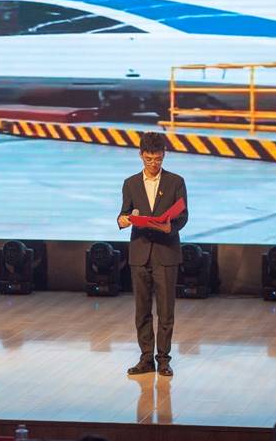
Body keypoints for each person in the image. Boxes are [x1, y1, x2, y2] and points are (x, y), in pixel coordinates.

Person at [118, 132, 188, 377]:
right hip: (140, 253)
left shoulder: (176, 182)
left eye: (158, 159)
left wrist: (170, 227)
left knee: (166, 311)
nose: (153, 163)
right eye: (149, 159)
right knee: (142, 310)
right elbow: (123, 214)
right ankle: (146, 358)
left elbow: (183, 216)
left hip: (166, 253)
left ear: (164, 155)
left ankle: (164, 359)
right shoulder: (130, 183)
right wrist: (124, 220)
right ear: (140, 155)